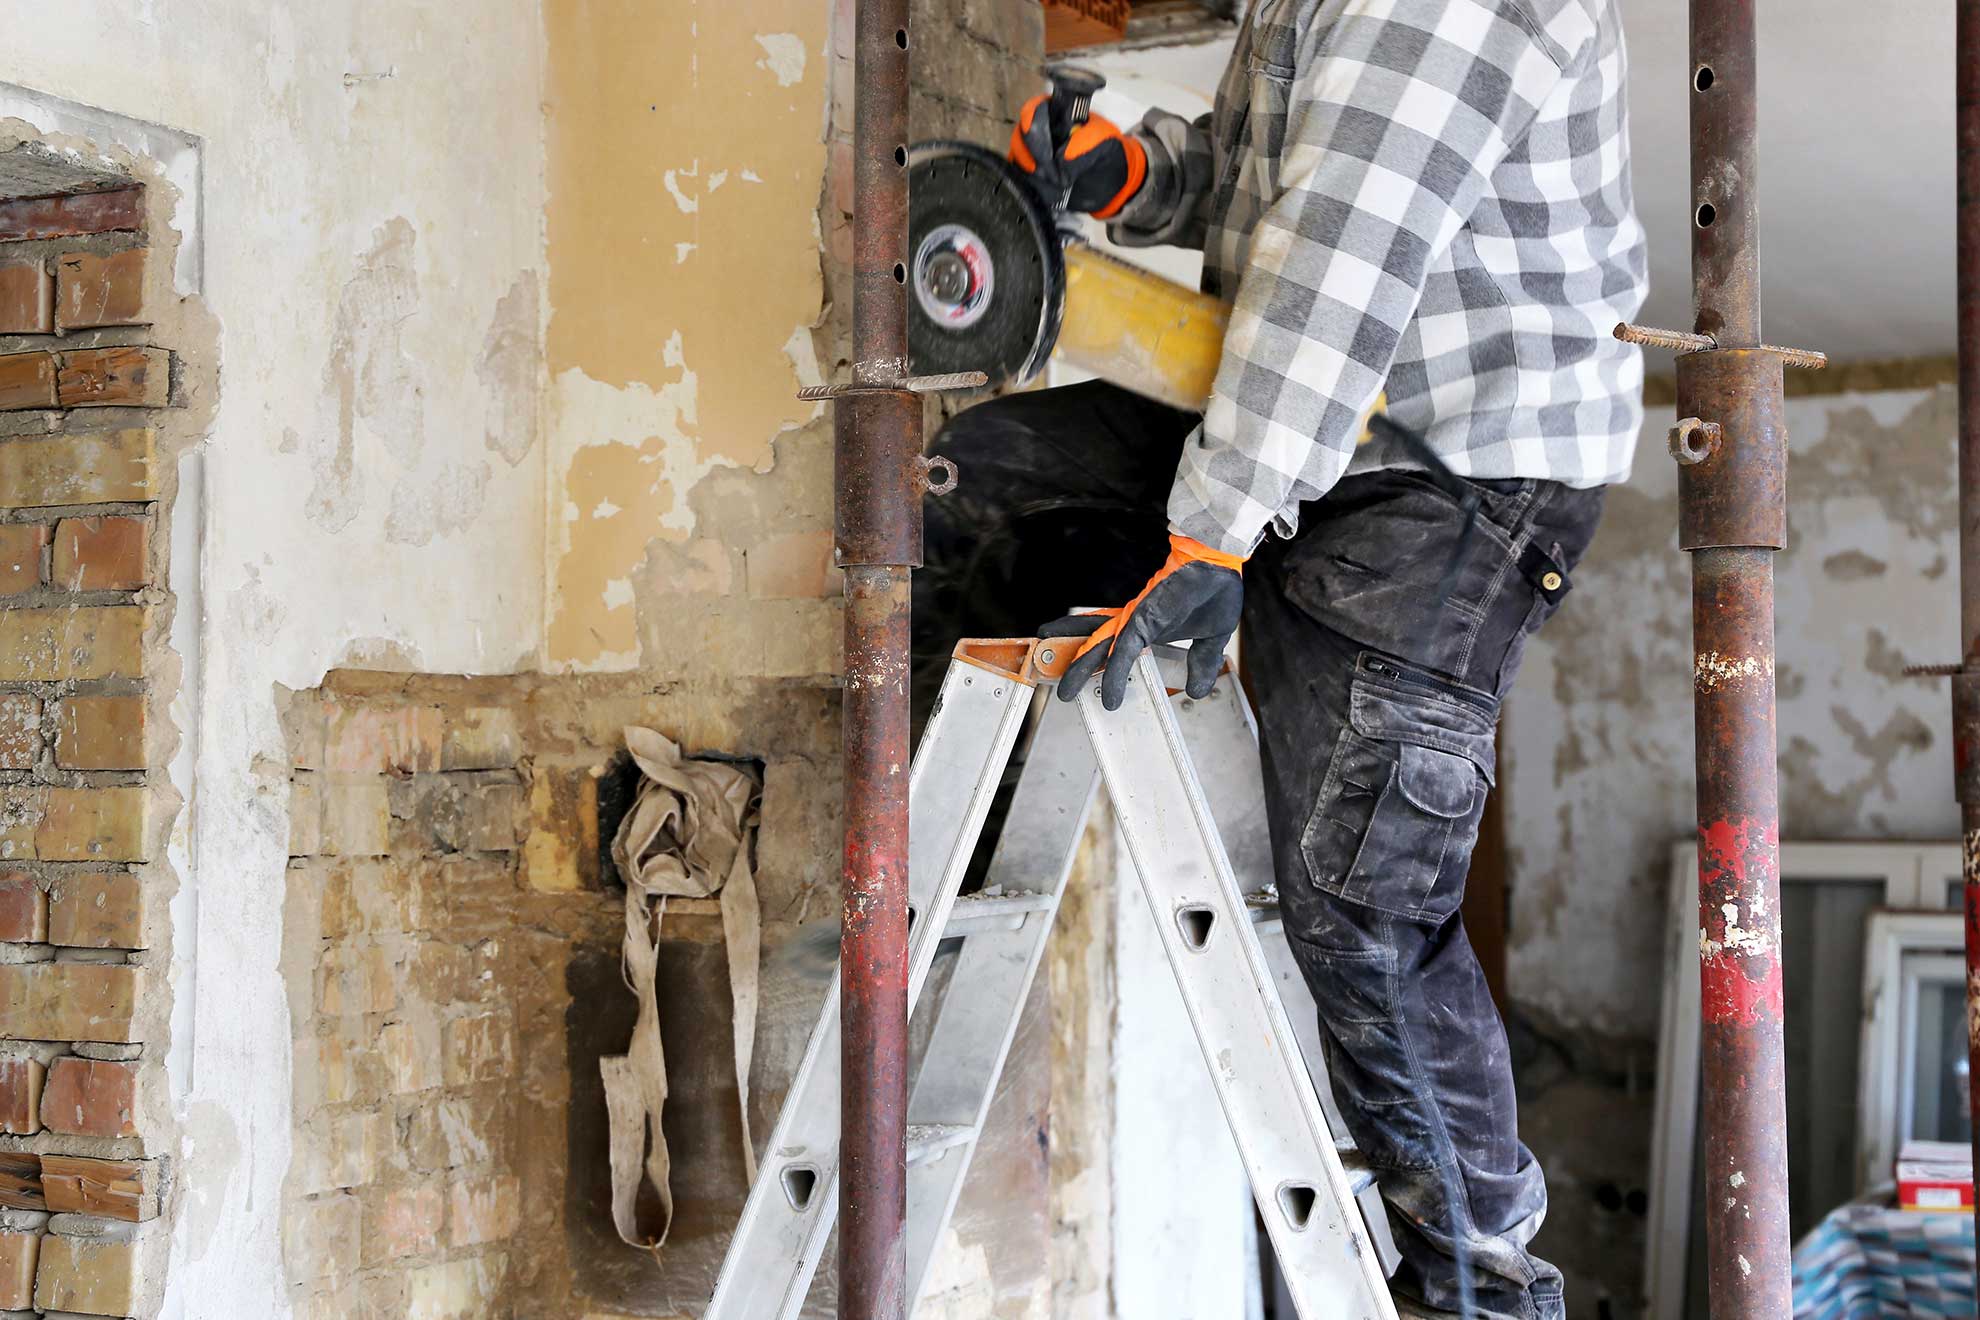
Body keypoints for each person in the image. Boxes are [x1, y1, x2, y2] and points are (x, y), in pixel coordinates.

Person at [910, 1, 1647, 1316]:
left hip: (1447, 482)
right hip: (1315, 423)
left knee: (1360, 905)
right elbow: (1273, 174)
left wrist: (1212, 537)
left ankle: (1480, 1292)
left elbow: (1333, 269)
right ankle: (911, 911)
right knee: (975, 490)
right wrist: (1135, 176)